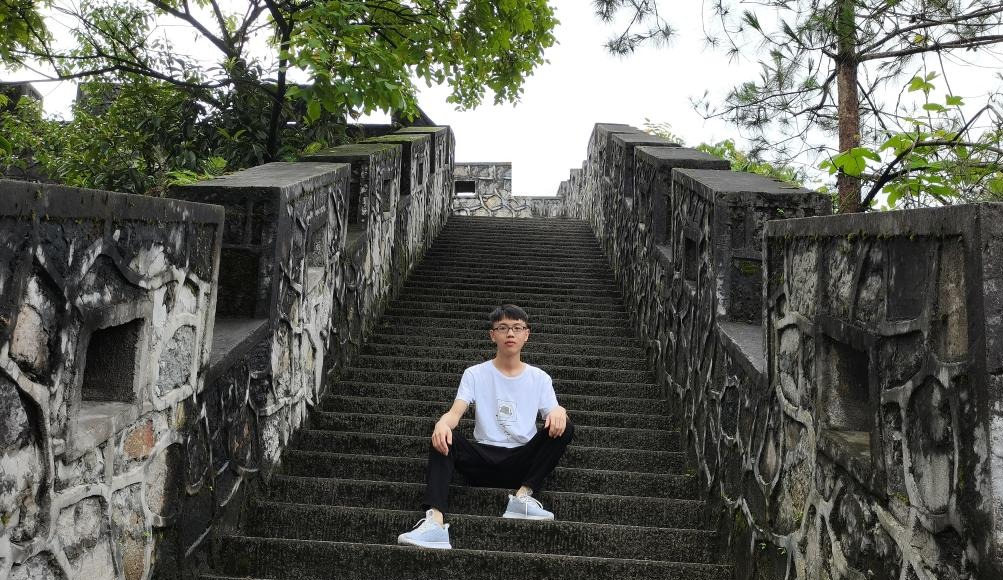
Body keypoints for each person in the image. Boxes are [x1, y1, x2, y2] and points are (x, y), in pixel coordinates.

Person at [397, 304, 574, 550]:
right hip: (482, 460)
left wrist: (559, 410)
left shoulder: (540, 378)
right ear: (492, 335)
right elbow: (455, 413)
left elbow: (554, 415)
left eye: (517, 328)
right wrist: (441, 423)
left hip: (522, 462)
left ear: (526, 334)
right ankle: (435, 523)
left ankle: (523, 497)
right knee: (444, 435)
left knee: (566, 426)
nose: (510, 333)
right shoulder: (474, 374)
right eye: (503, 328)